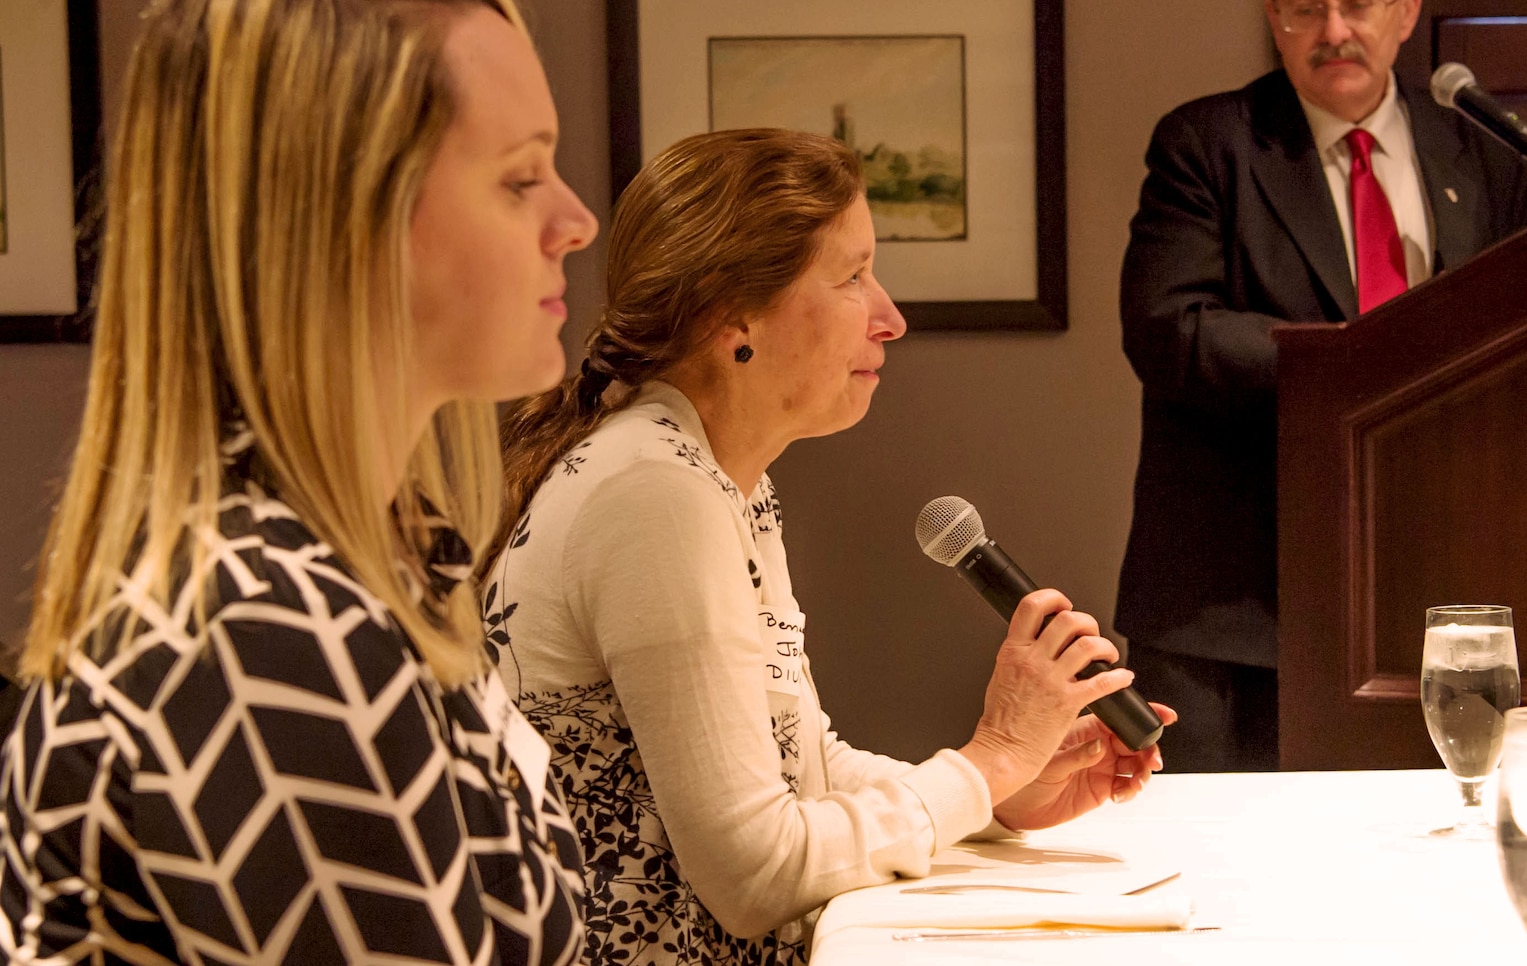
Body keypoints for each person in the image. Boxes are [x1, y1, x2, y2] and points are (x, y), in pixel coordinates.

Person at [0, 0, 599, 964]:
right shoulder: (261, 631)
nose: (574, 222)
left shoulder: (370, 565)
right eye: (519, 177)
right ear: (340, 219)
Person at [489, 128, 1173, 965]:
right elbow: (755, 875)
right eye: (852, 278)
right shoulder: (655, 494)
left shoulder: (708, 472)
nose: (890, 317)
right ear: (728, 314)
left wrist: (998, 798)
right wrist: (988, 760)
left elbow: (800, 770)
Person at [1116, 0, 1527, 772]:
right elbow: (1169, 330)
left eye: (1357, 3)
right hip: (1231, 605)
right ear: (1274, 18)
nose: (1333, 31)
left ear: (1406, 11)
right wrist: (1360, 362)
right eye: (1306, 8)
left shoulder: (1491, 159)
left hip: (1435, 588)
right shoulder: (1210, 144)